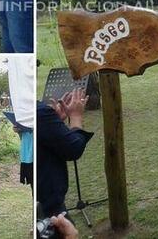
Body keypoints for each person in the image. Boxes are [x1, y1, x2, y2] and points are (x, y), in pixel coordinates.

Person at [36, 89, 93, 218]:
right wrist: (76, 117)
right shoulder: (39, 112)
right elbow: (73, 149)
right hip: (49, 204)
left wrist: (54, 123)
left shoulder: (33, 112)